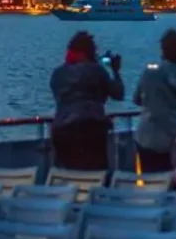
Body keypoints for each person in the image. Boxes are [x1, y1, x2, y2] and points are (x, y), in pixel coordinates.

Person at [50, 31, 124, 170]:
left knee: (67, 174)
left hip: (60, 130)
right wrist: (115, 71)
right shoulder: (96, 70)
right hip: (89, 130)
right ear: (88, 52)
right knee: (95, 175)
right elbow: (118, 93)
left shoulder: (57, 74)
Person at [133, 29, 176, 173]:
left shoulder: (149, 71)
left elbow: (137, 99)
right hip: (175, 139)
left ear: (163, 49)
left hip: (146, 138)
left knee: (150, 180)